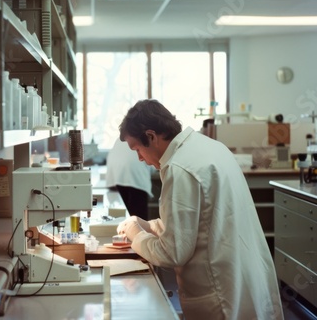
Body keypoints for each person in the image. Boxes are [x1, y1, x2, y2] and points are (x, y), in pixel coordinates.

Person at [116, 99, 283, 319]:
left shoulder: (179, 168)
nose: (139, 158)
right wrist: (148, 225)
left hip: (219, 292)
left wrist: (136, 235)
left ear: (151, 136)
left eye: (137, 149)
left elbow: (172, 252)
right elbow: (201, 219)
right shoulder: (209, 147)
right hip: (245, 276)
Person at [106, 138, 154, 220]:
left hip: (116, 175)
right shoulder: (144, 138)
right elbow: (153, 162)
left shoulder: (122, 137)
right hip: (135, 175)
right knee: (139, 219)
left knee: (126, 217)